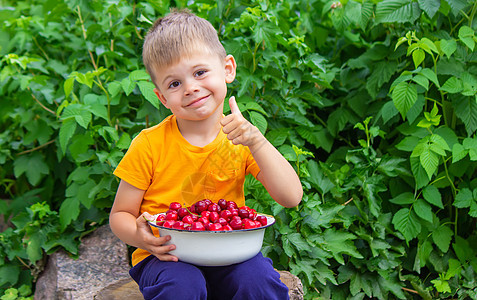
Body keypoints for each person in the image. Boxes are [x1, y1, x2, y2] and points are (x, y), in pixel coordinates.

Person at [109, 8, 303, 300]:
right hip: (166, 255)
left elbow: (291, 197)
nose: (191, 88)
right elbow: (121, 215)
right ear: (161, 97)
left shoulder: (241, 138)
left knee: (258, 281)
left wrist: (258, 142)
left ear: (227, 69)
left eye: (200, 72)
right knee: (182, 286)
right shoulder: (149, 144)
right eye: (174, 83)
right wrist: (142, 239)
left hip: (230, 251)